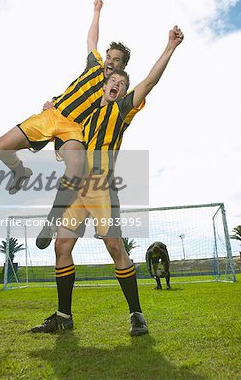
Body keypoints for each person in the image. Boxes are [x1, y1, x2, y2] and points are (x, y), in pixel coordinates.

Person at [30, 25, 184, 336]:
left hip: (101, 186)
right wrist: (51, 105)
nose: (115, 83)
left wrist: (170, 47)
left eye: (121, 82)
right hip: (75, 189)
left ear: (124, 92)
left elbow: (150, 81)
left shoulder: (123, 110)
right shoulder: (82, 115)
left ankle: (136, 314)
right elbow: (58, 120)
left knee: (114, 244)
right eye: (111, 80)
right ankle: (63, 316)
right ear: (104, 85)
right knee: (62, 245)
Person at [0, 0, 130, 237]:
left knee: (76, 166)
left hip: (73, 129)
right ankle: (19, 172)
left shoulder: (117, 90)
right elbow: (91, 40)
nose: (110, 61)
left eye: (117, 60)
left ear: (123, 65)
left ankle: (53, 219)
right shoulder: (95, 64)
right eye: (110, 56)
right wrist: (96, 12)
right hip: (52, 115)